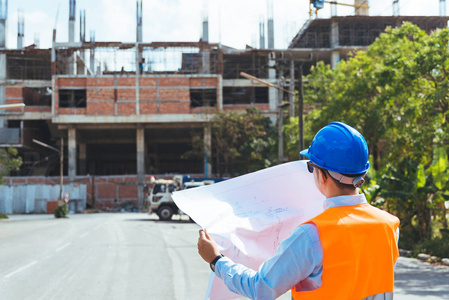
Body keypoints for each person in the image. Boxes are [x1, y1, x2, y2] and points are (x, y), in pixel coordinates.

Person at [197, 122, 400, 300]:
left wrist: (216, 260)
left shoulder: (312, 235)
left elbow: (261, 289)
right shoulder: (389, 226)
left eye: (311, 167)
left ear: (323, 176)